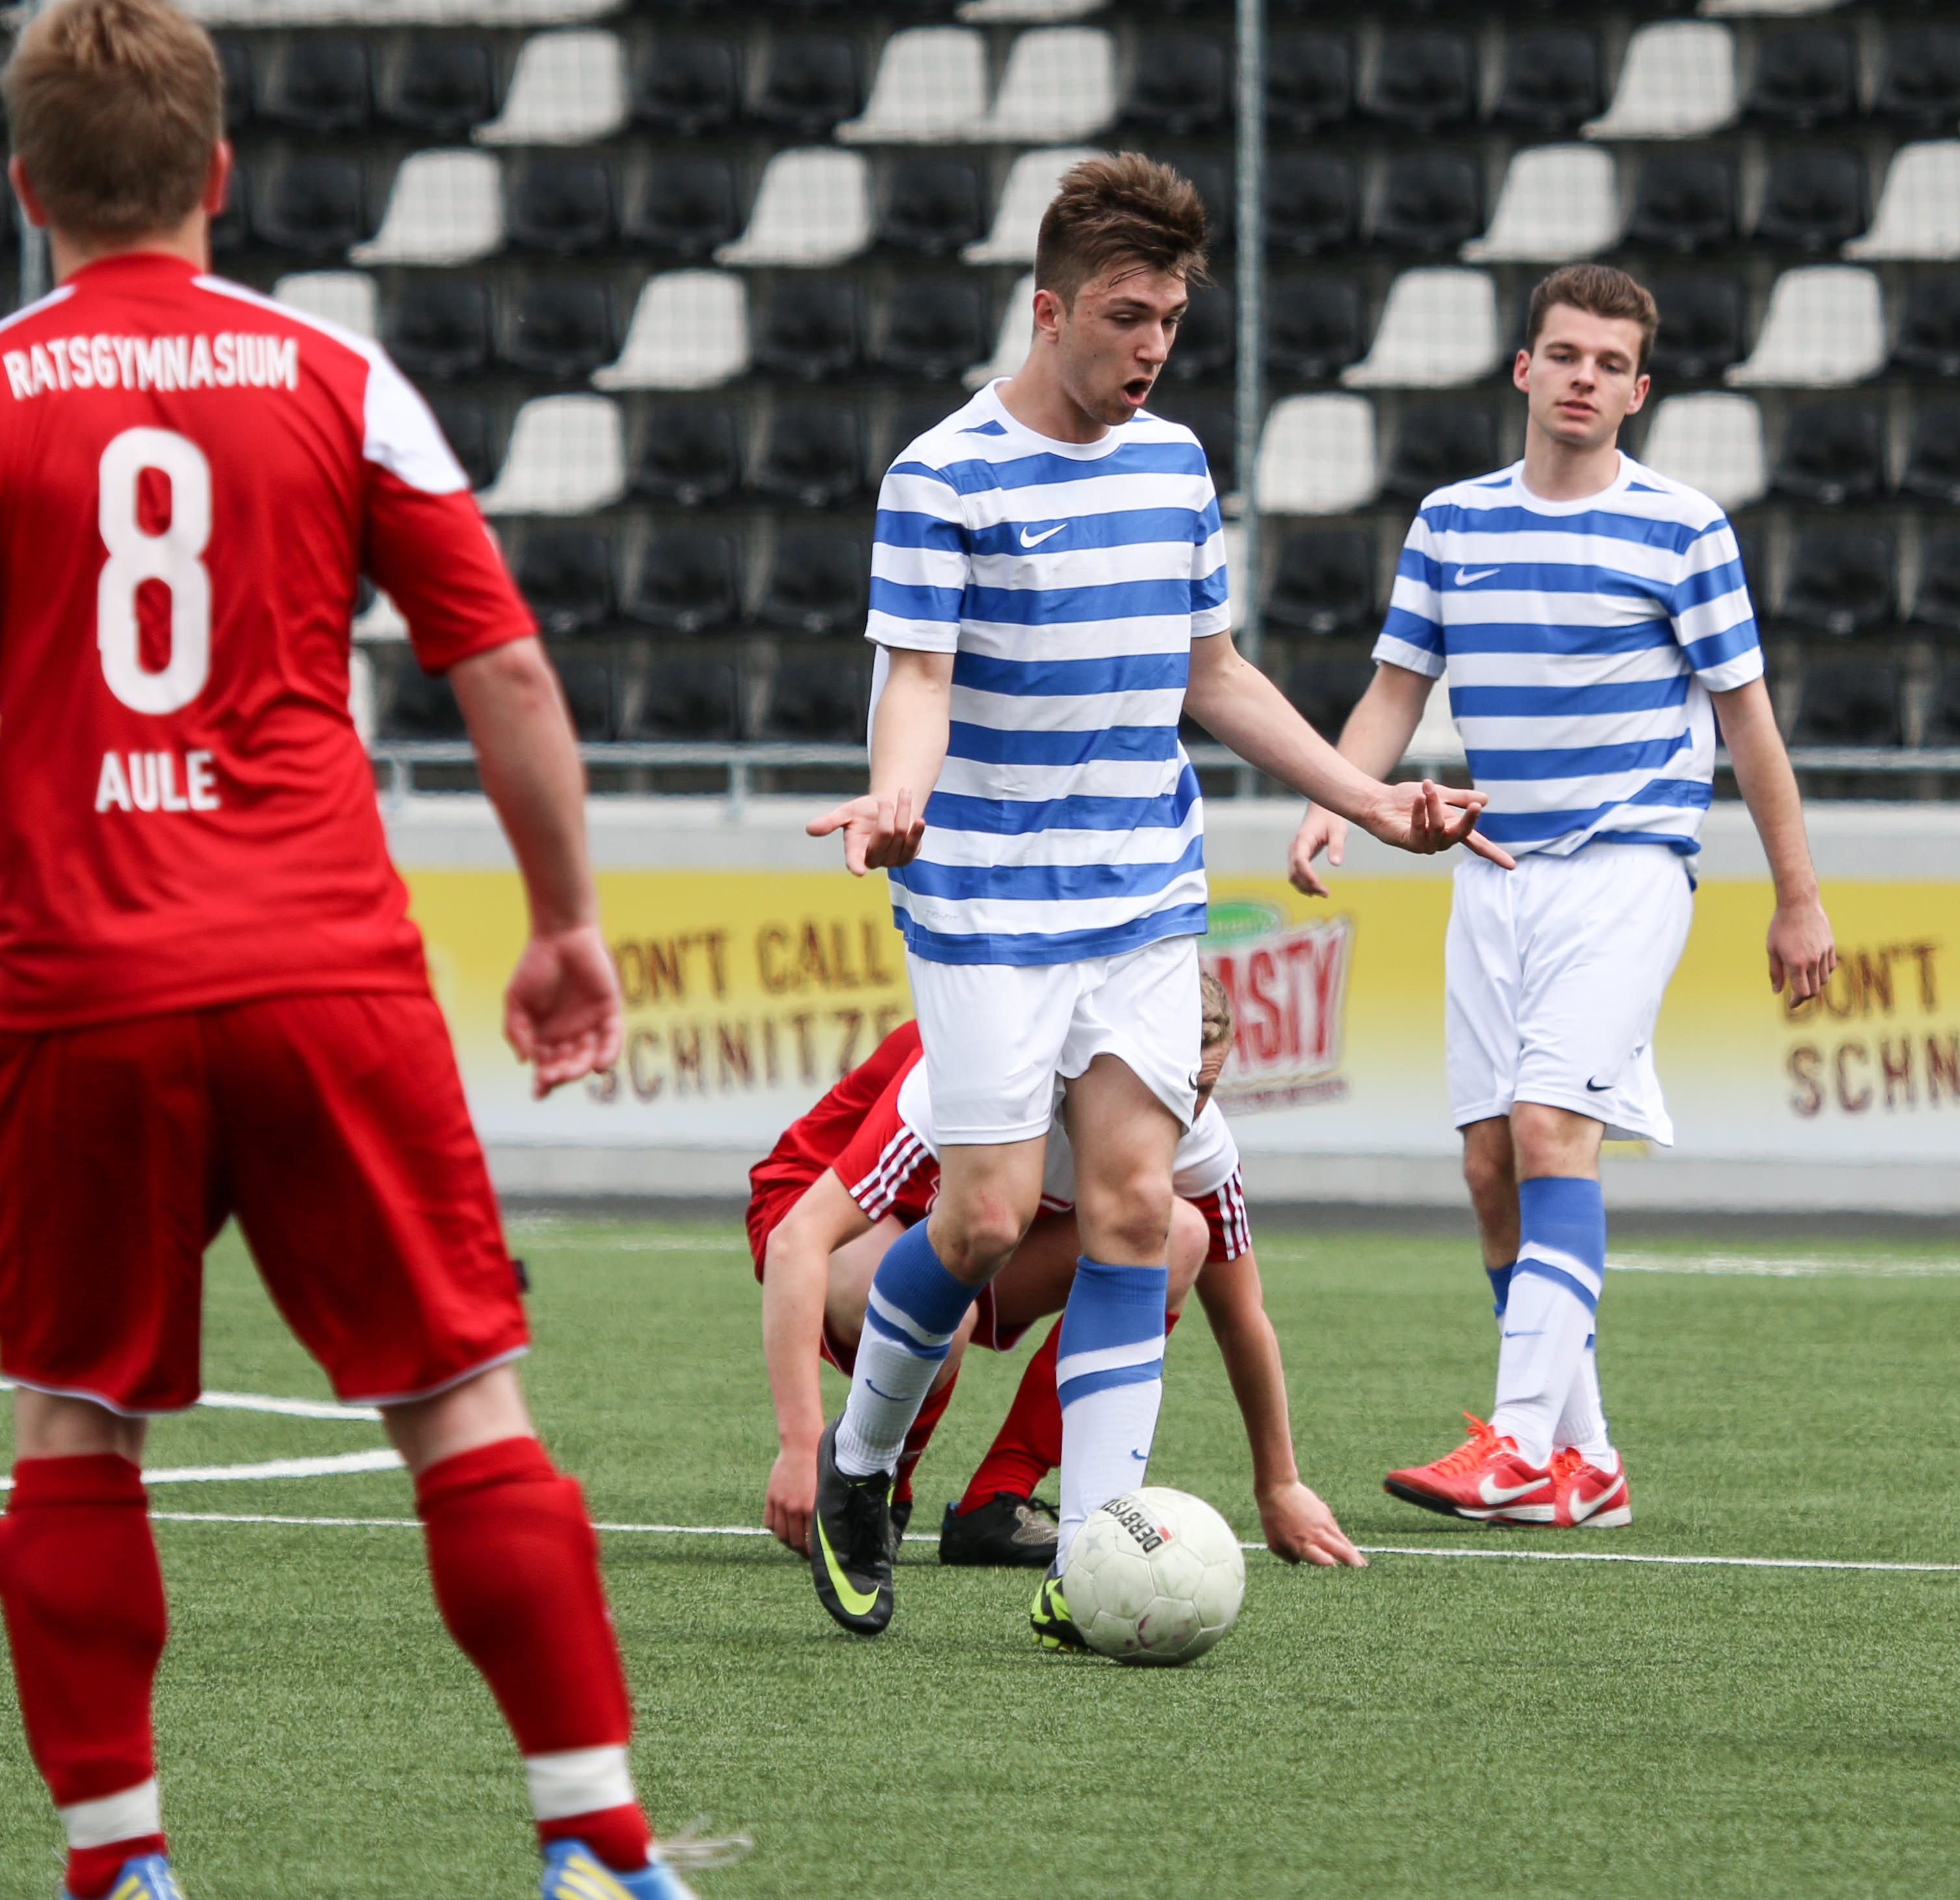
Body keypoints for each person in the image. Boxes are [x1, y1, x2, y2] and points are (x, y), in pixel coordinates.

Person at [0, 5, 696, 1896]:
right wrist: (564, 921)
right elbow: (507, 671)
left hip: (77, 982)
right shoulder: (338, 374)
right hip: (322, 970)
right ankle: (595, 1840)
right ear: (220, 174)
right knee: (458, 1402)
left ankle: (119, 1863)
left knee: (74, 1419)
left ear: (29, 188)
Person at [804, 153, 1497, 1640]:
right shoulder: (940, 475)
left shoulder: (1174, 465)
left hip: (1140, 897)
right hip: (985, 904)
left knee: (1132, 1207)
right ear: (1048, 309)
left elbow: (1213, 673)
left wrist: (1369, 798)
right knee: (986, 1219)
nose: (1151, 347)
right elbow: (915, 678)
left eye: (1171, 321)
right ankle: (859, 1463)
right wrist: (895, 794)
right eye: (1126, 316)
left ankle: (1091, 1561)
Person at [1286, 265, 1836, 1531]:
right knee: (1490, 1166)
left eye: (1610, 364)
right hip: (1494, 874)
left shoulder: (1683, 529)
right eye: (1566, 355)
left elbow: (1748, 724)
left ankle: (1517, 1442)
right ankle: (1584, 1464)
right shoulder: (1451, 523)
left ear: (1637, 393)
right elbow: (1394, 690)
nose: (1584, 378)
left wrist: (1795, 896)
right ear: (1523, 369)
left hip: (1625, 866)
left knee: (1548, 1133)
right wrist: (1335, 798)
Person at [744, 985, 1362, 1593]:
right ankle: (876, 1489)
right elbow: (800, 1240)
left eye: (1202, 1088)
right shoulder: (977, 1071)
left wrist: (1279, 1483)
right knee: (942, 1305)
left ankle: (997, 1498)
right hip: (819, 1207)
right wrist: (799, 1446)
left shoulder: (1189, 1130)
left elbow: (1242, 1314)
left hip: (975, 1237)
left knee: (1180, 1235)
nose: (1187, 1109)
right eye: (1173, 1082)